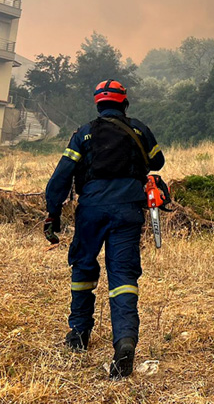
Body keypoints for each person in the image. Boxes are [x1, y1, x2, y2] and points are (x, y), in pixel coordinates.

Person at [44, 79, 164, 379]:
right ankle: (125, 341)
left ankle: (79, 335)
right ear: (125, 102)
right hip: (128, 211)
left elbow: (62, 175)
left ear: (98, 104)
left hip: (91, 212)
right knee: (123, 277)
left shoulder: (83, 133)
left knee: (83, 269)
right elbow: (157, 162)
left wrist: (53, 212)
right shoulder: (139, 130)